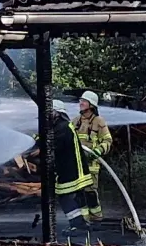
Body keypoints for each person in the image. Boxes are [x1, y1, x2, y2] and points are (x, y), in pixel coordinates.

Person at [45, 100, 94, 233]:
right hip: (72, 168)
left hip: (70, 169)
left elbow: (53, 145)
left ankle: (77, 224)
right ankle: (82, 224)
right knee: (74, 196)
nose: (48, 116)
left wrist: (40, 145)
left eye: (51, 112)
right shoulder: (62, 126)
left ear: (57, 113)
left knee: (64, 196)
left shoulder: (62, 127)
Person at [74, 91, 114, 223]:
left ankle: (96, 218)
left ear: (91, 105)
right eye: (81, 100)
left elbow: (107, 140)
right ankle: (84, 219)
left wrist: (98, 150)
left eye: (84, 101)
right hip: (77, 164)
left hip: (91, 165)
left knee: (90, 192)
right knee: (79, 192)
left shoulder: (98, 121)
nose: (81, 103)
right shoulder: (75, 121)